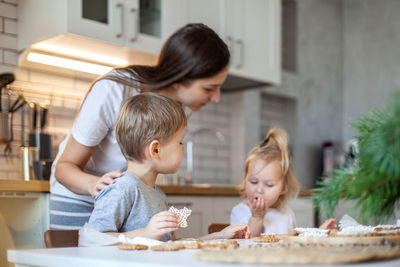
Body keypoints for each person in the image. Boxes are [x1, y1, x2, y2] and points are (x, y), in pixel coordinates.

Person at [49, 23, 230, 229]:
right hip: (79, 198)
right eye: (209, 88)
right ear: (180, 78)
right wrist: (96, 186)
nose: (216, 98)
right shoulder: (114, 90)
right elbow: (64, 169)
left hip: (125, 200)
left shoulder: (179, 107)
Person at [88, 93, 250, 240]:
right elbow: (93, 241)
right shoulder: (122, 188)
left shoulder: (157, 194)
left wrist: (219, 236)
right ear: (156, 150)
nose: (183, 148)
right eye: (180, 141)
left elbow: (172, 245)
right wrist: (145, 234)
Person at [230, 127, 336, 237]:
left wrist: (319, 233)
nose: (259, 190)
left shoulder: (286, 213)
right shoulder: (240, 212)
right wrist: (257, 217)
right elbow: (245, 244)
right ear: (245, 179)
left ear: (284, 187)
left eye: (269, 185)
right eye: (253, 182)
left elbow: (294, 242)